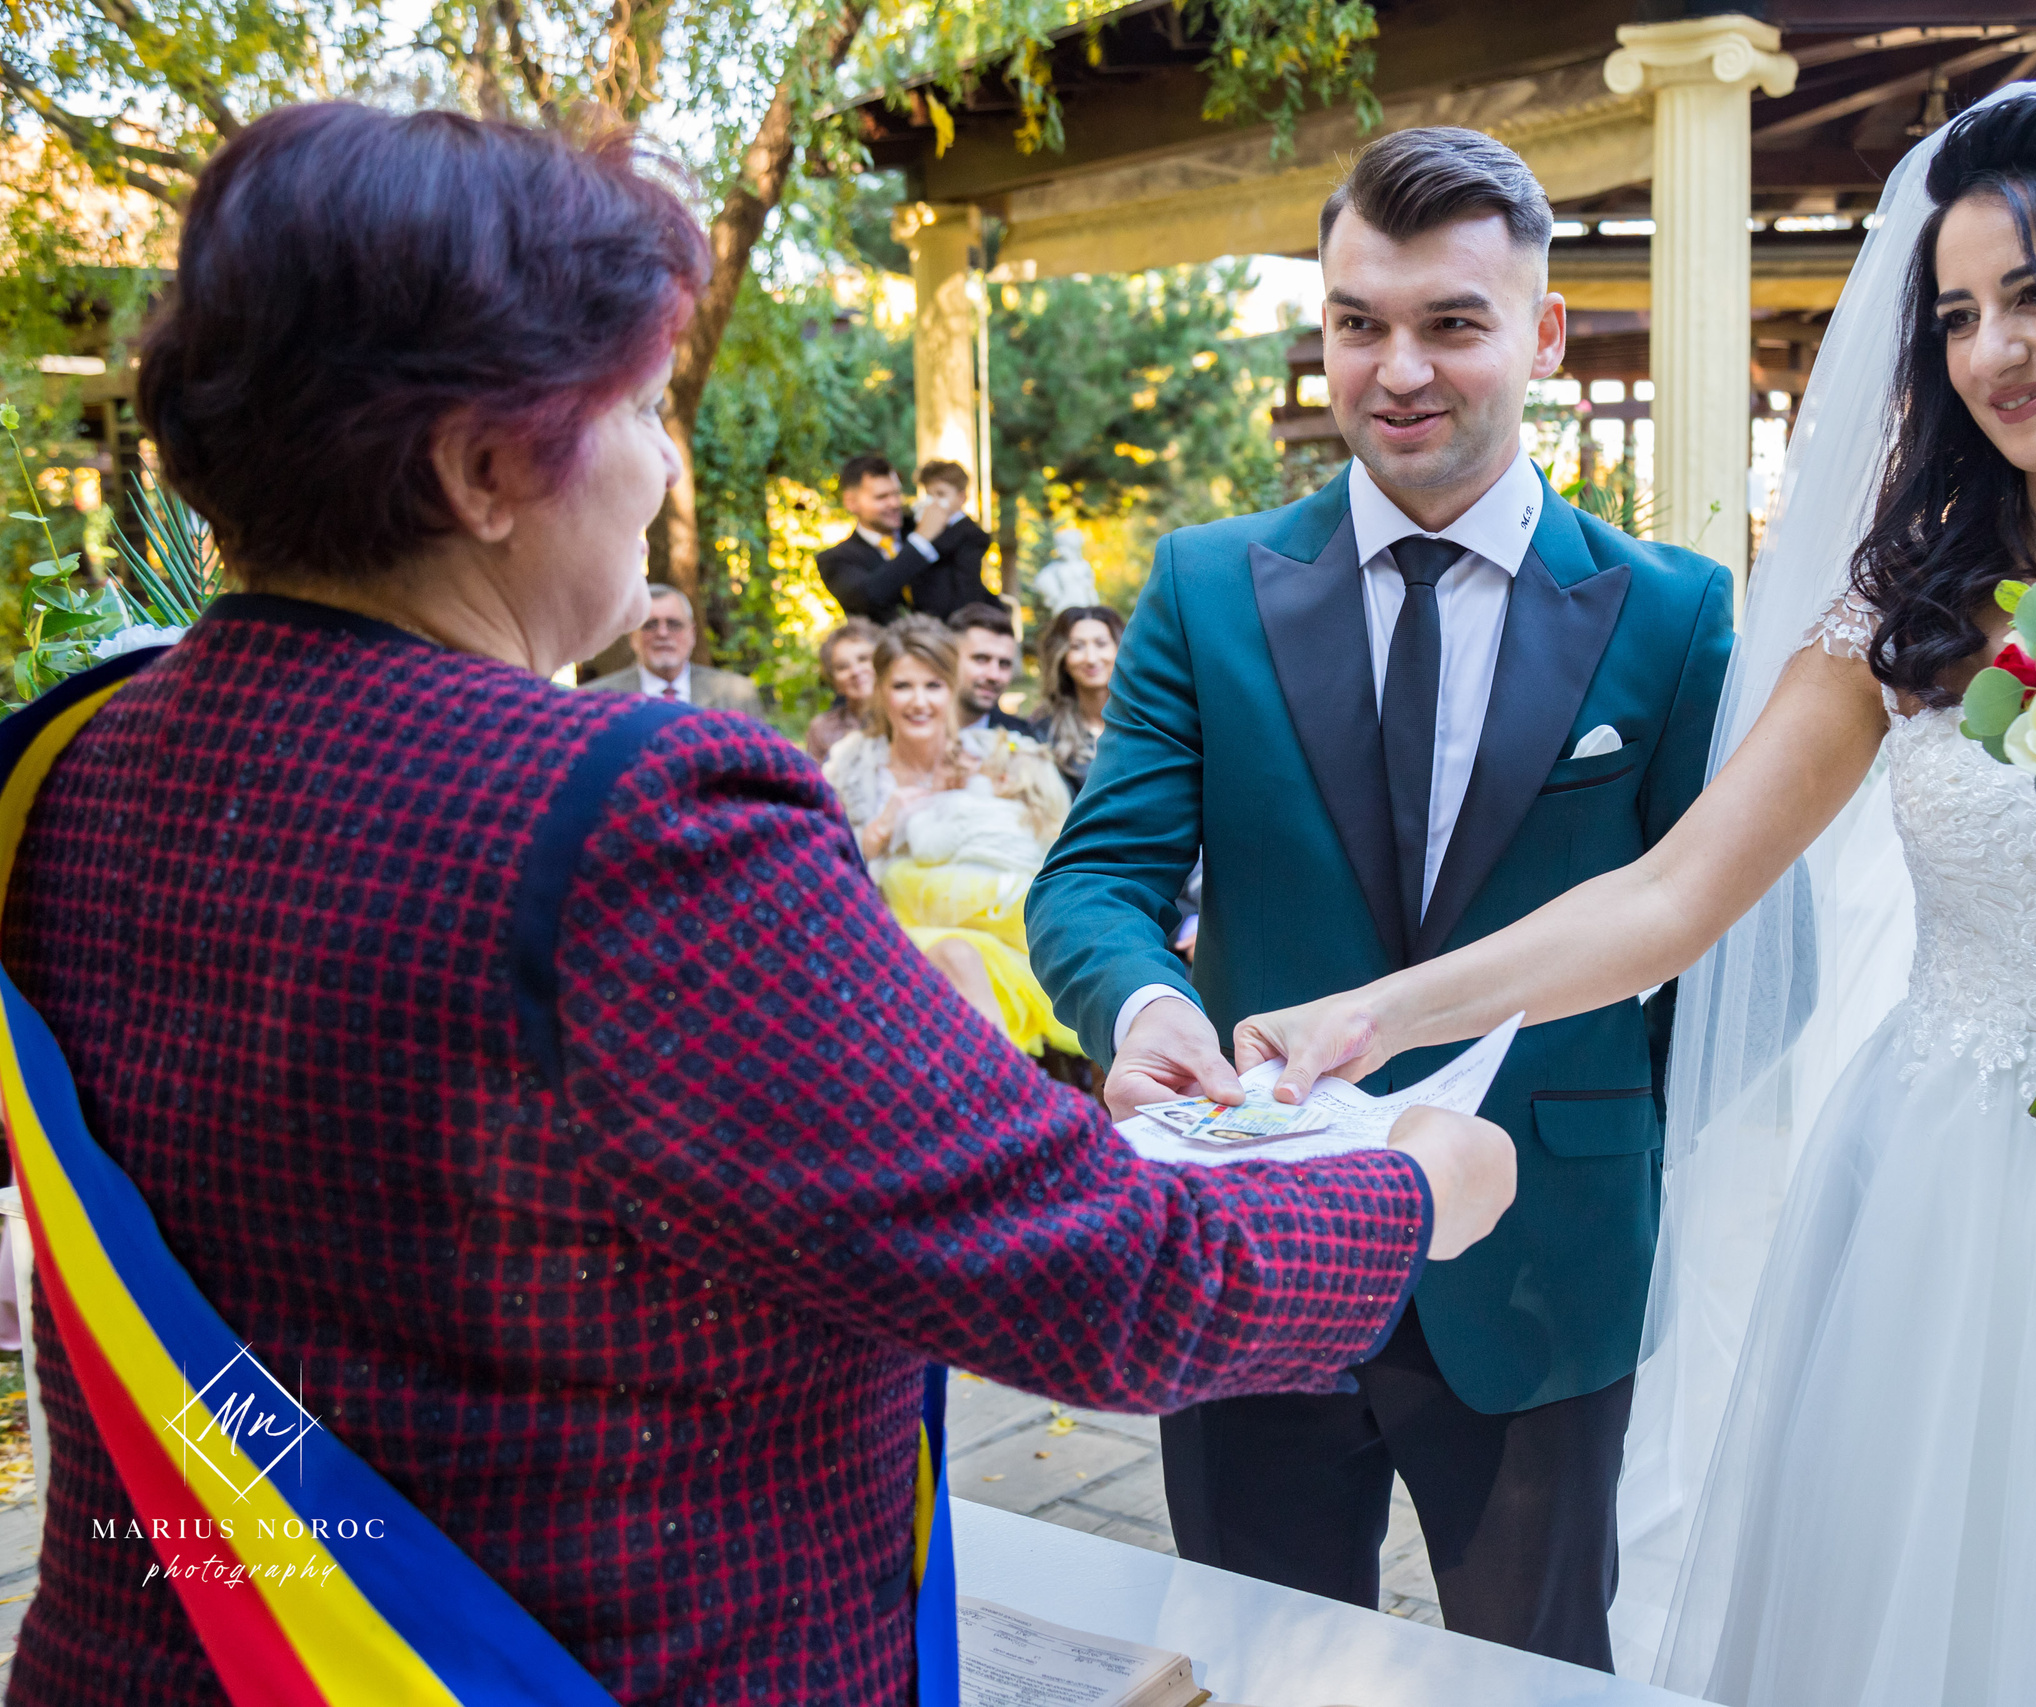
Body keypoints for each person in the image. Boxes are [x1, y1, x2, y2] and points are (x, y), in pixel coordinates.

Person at [0, 103, 1518, 1707]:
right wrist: (1410, 1189)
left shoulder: (62, 766)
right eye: (646, 408)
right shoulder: (633, 818)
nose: (664, 467)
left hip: (174, 1648)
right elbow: (1119, 1279)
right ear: (488, 465)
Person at [1235, 69, 2036, 1707]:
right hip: (1947, 1223)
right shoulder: (1909, 615)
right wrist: (1365, 1017)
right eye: (1956, 312)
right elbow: (1669, 898)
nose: (1992, 351)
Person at [1025, 127, 1735, 1671]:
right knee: (1251, 1659)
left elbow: (1724, 950)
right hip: (1248, 1236)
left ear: (1543, 333)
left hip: (1543, 1254)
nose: (1397, 368)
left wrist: (1613, 1147)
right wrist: (1148, 1008)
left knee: (1539, 1664)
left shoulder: (1676, 615)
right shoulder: (1207, 586)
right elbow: (1097, 878)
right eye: (1360, 321)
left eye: (1451, 322)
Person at [826, 618, 1078, 1058]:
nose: (919, 702)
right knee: (956, 956)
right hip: (891, 939)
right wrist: (884, 825)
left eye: (934, 686)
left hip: (1004, 937)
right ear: (881, 690)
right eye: (903, 686)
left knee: (968, 954)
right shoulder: (852, 766)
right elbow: (827, 875)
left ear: (952, 687)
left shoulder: (997, 756)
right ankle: (1002, 1086)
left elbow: (1042, 852)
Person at [815, 453, 976, 623]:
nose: (895, 503)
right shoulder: (836, 560)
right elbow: (867, 598)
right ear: (851, 502)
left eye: (896, 494)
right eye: (882, 497)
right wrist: (920, 542)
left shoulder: (933, 531)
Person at [583, 581, 765, 712]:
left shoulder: (737, 695)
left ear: (692, 634)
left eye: (674, 624)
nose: (662, 633)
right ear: (633, 637)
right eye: (650, 625)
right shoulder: (596, 699)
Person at [1029, 603, 1123, 795]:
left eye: (1101, 644)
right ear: (1062, 658)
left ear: (1120, 648)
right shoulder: (1044, 733)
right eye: (1077, 646)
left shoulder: (1148, 720)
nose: (1091, 658)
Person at [950, 601, 1037, 735]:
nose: (994, 675)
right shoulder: (913, 730)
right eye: (981, 659)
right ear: (950, 659)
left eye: (1004, 664)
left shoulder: (1024, 738)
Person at [917, 459, 995, 604]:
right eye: (929, 495)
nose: (933, 502)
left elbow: (967, 589)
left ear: (961, 497)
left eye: (941, 494)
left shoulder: (971, 535)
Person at [804, 615, 880, 761]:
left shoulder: (906, 717)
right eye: (843, 667)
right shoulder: (822, 730)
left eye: (863, 658)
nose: (856, 671)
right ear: (834, 681)